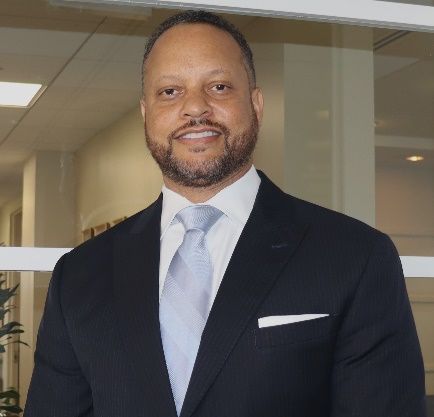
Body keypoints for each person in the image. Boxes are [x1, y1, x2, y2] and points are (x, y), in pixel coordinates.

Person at [24, 10, 426, 417]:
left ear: (255, 104)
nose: (195, 108)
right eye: (169, 92)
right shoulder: (78, 276)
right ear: (146, 114)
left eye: (218, 86)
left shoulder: (355, 257)